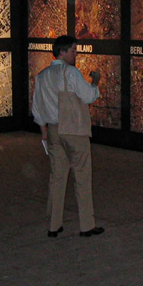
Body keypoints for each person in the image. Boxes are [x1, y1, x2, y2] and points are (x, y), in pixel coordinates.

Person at [31, 35, 104, 238]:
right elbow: (89, 96)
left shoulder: (42, 76)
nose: (75, 54)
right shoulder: (70, 72)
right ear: (62, 52)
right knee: (82, 176)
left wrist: (44, 133)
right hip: (74, 130)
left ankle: (53, 225)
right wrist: (95, 82)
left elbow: (37, 109)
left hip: (53, 131)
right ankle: (86, 225)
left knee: (57, 178)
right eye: (73, 50)